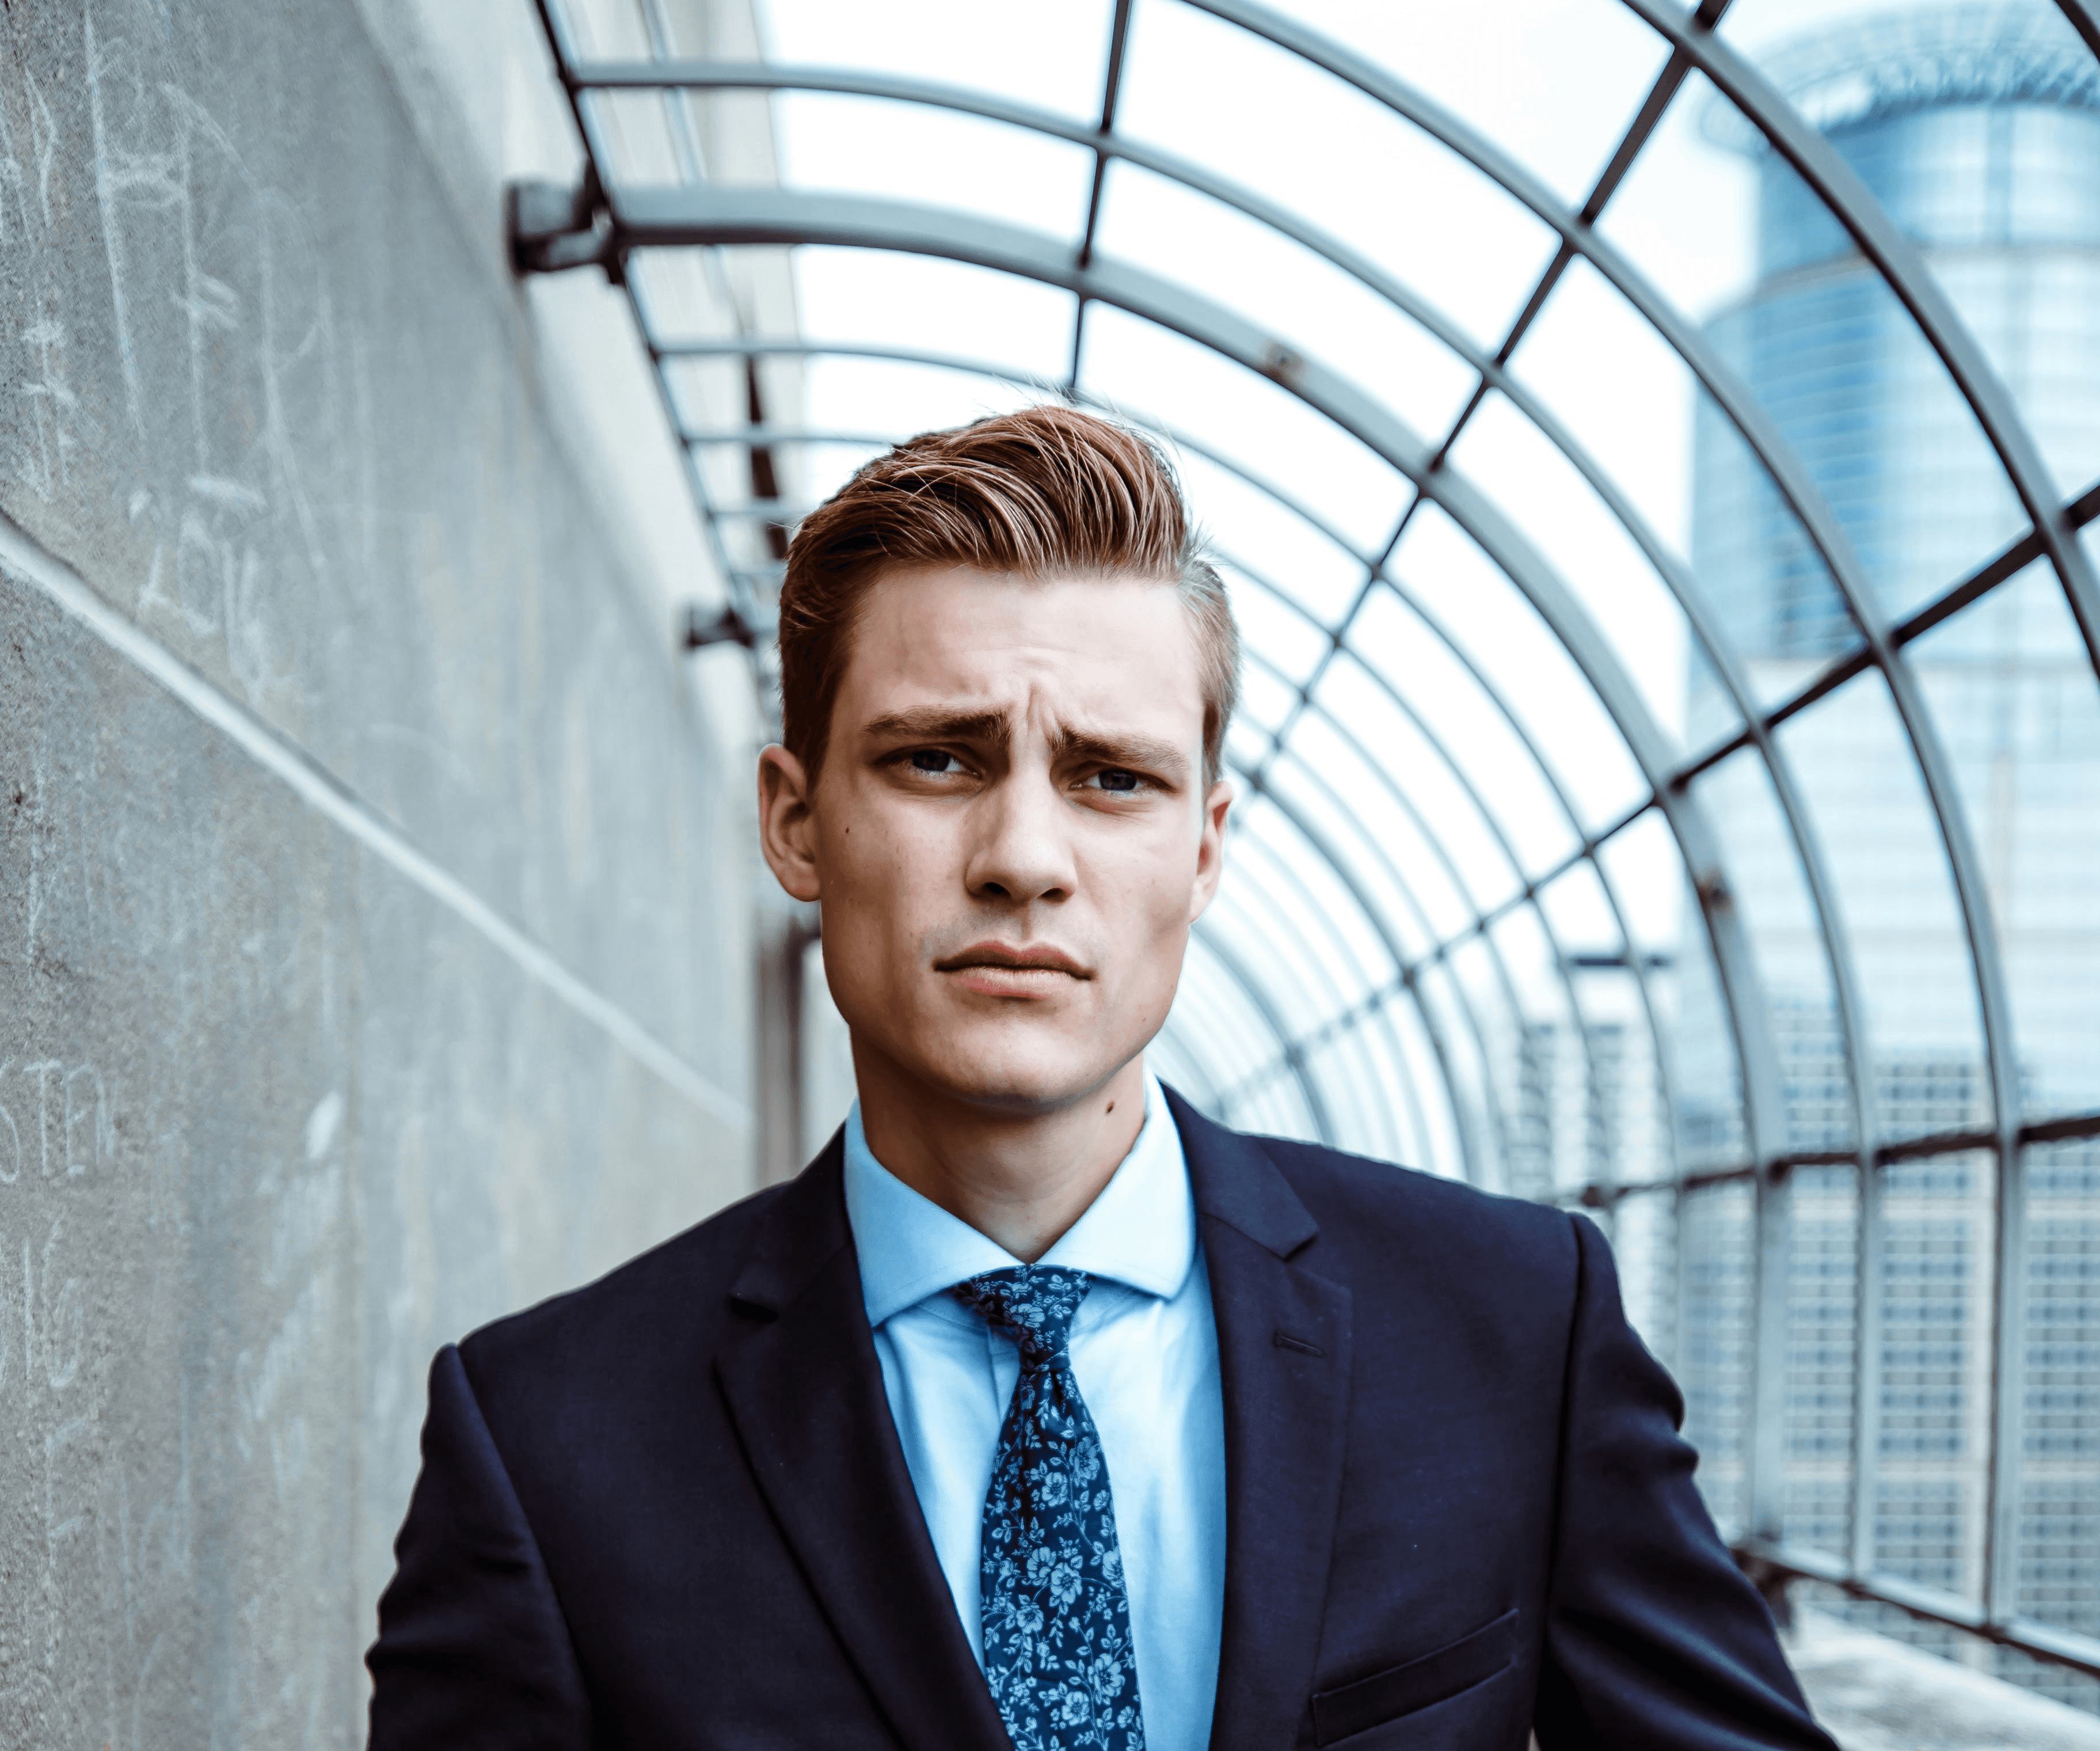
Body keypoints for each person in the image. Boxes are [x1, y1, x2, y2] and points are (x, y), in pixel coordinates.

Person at [366, 406, 1836, 1751]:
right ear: (797, 821)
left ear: (1203, 845)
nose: (1023, 857)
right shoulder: (548, 1443)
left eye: (1110, 776)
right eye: (937, 760)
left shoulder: (1511, 1331)